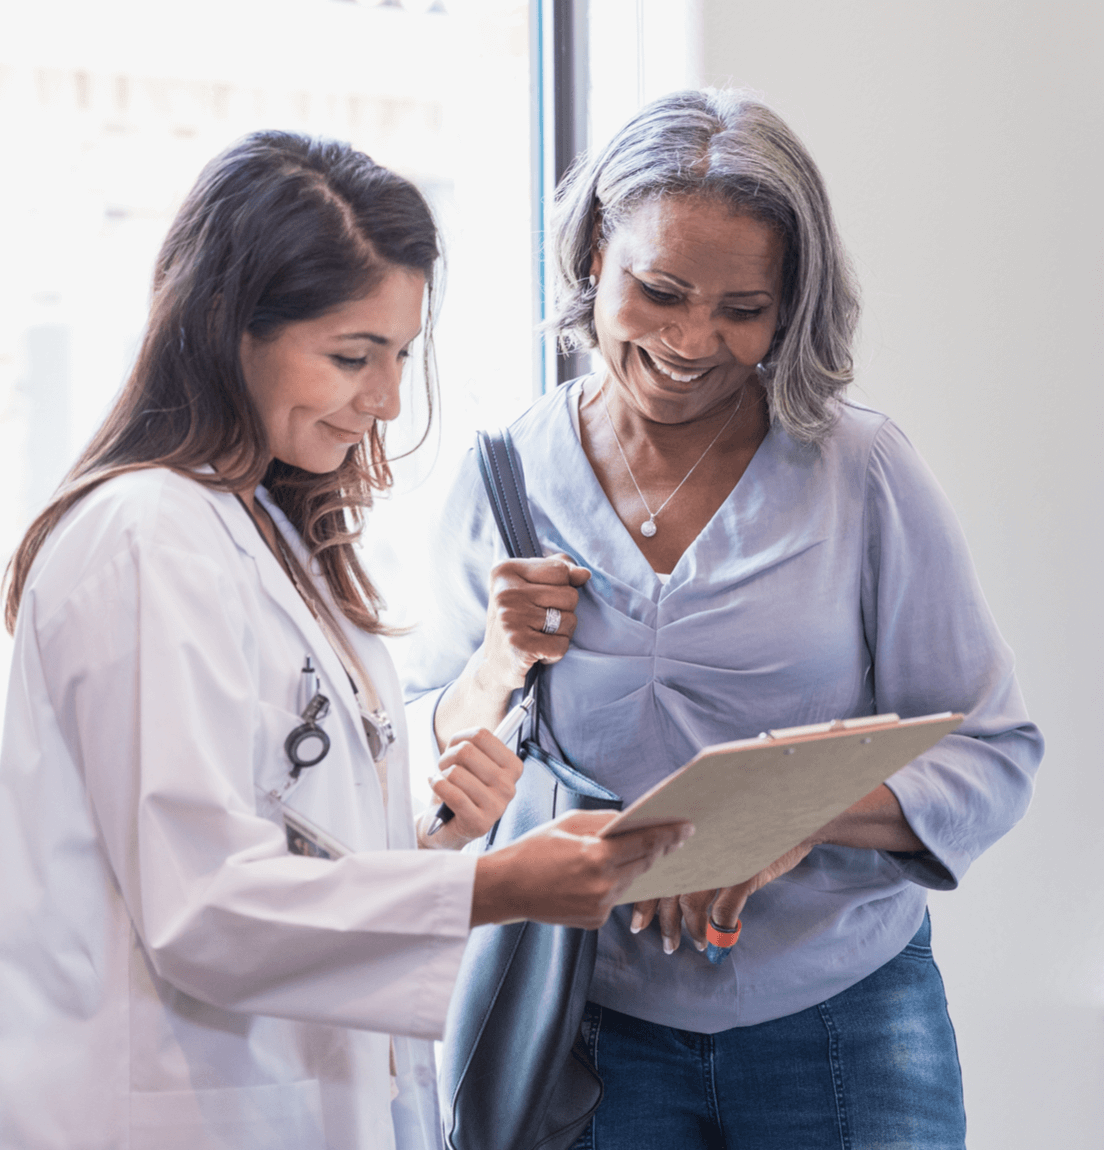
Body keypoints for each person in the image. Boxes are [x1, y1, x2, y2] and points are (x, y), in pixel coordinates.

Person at [0, 132, 690, 1150]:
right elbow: (206, 909)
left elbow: (269, 836)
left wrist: (425, 831)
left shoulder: (267, 530)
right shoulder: (146, 537)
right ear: (228, 328)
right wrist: (498, 885)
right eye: (352, 355)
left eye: (402, 354)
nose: (388, 400)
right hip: (174, 1108)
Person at [405, 90, 1044, 1149]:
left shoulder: (860, 471)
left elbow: (993, 750)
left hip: (847, 1020)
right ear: (598, 249)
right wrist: (492, 665)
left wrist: (794, 815)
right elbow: (424, 784)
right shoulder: (507, 477)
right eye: (660, 291)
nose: (694, 341)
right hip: (599, 1032)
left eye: (743, 310)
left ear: (788, 305)